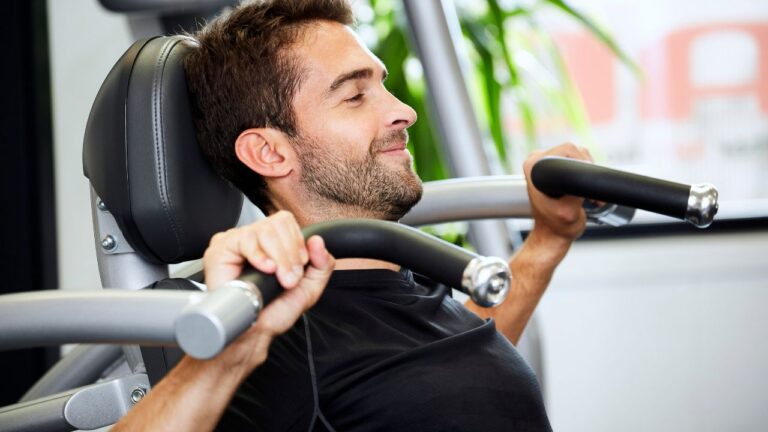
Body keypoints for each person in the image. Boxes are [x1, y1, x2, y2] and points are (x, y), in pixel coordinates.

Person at [113, 0, 592, 430]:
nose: (404, 111)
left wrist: (548, 241)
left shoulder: (404, 284)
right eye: (354, 96)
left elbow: (437, 378)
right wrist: (230, 355)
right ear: (270, 153)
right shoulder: (276, 338)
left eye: (382, 86)